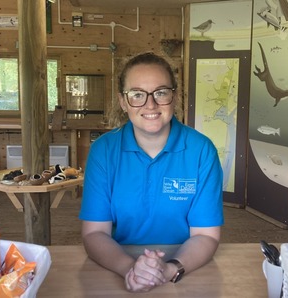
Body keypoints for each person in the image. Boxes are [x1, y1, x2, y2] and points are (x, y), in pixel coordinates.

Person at [79, 52, 224, 292]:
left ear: (174, 97)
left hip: (186, 265)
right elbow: (94, 233)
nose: (150, 104)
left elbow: (206, 235)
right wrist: (131, 269)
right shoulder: (103, 151)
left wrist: (170, 268)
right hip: (119, 264)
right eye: (137, 94)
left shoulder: (202, 150)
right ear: (123, 101)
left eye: (161, 92)